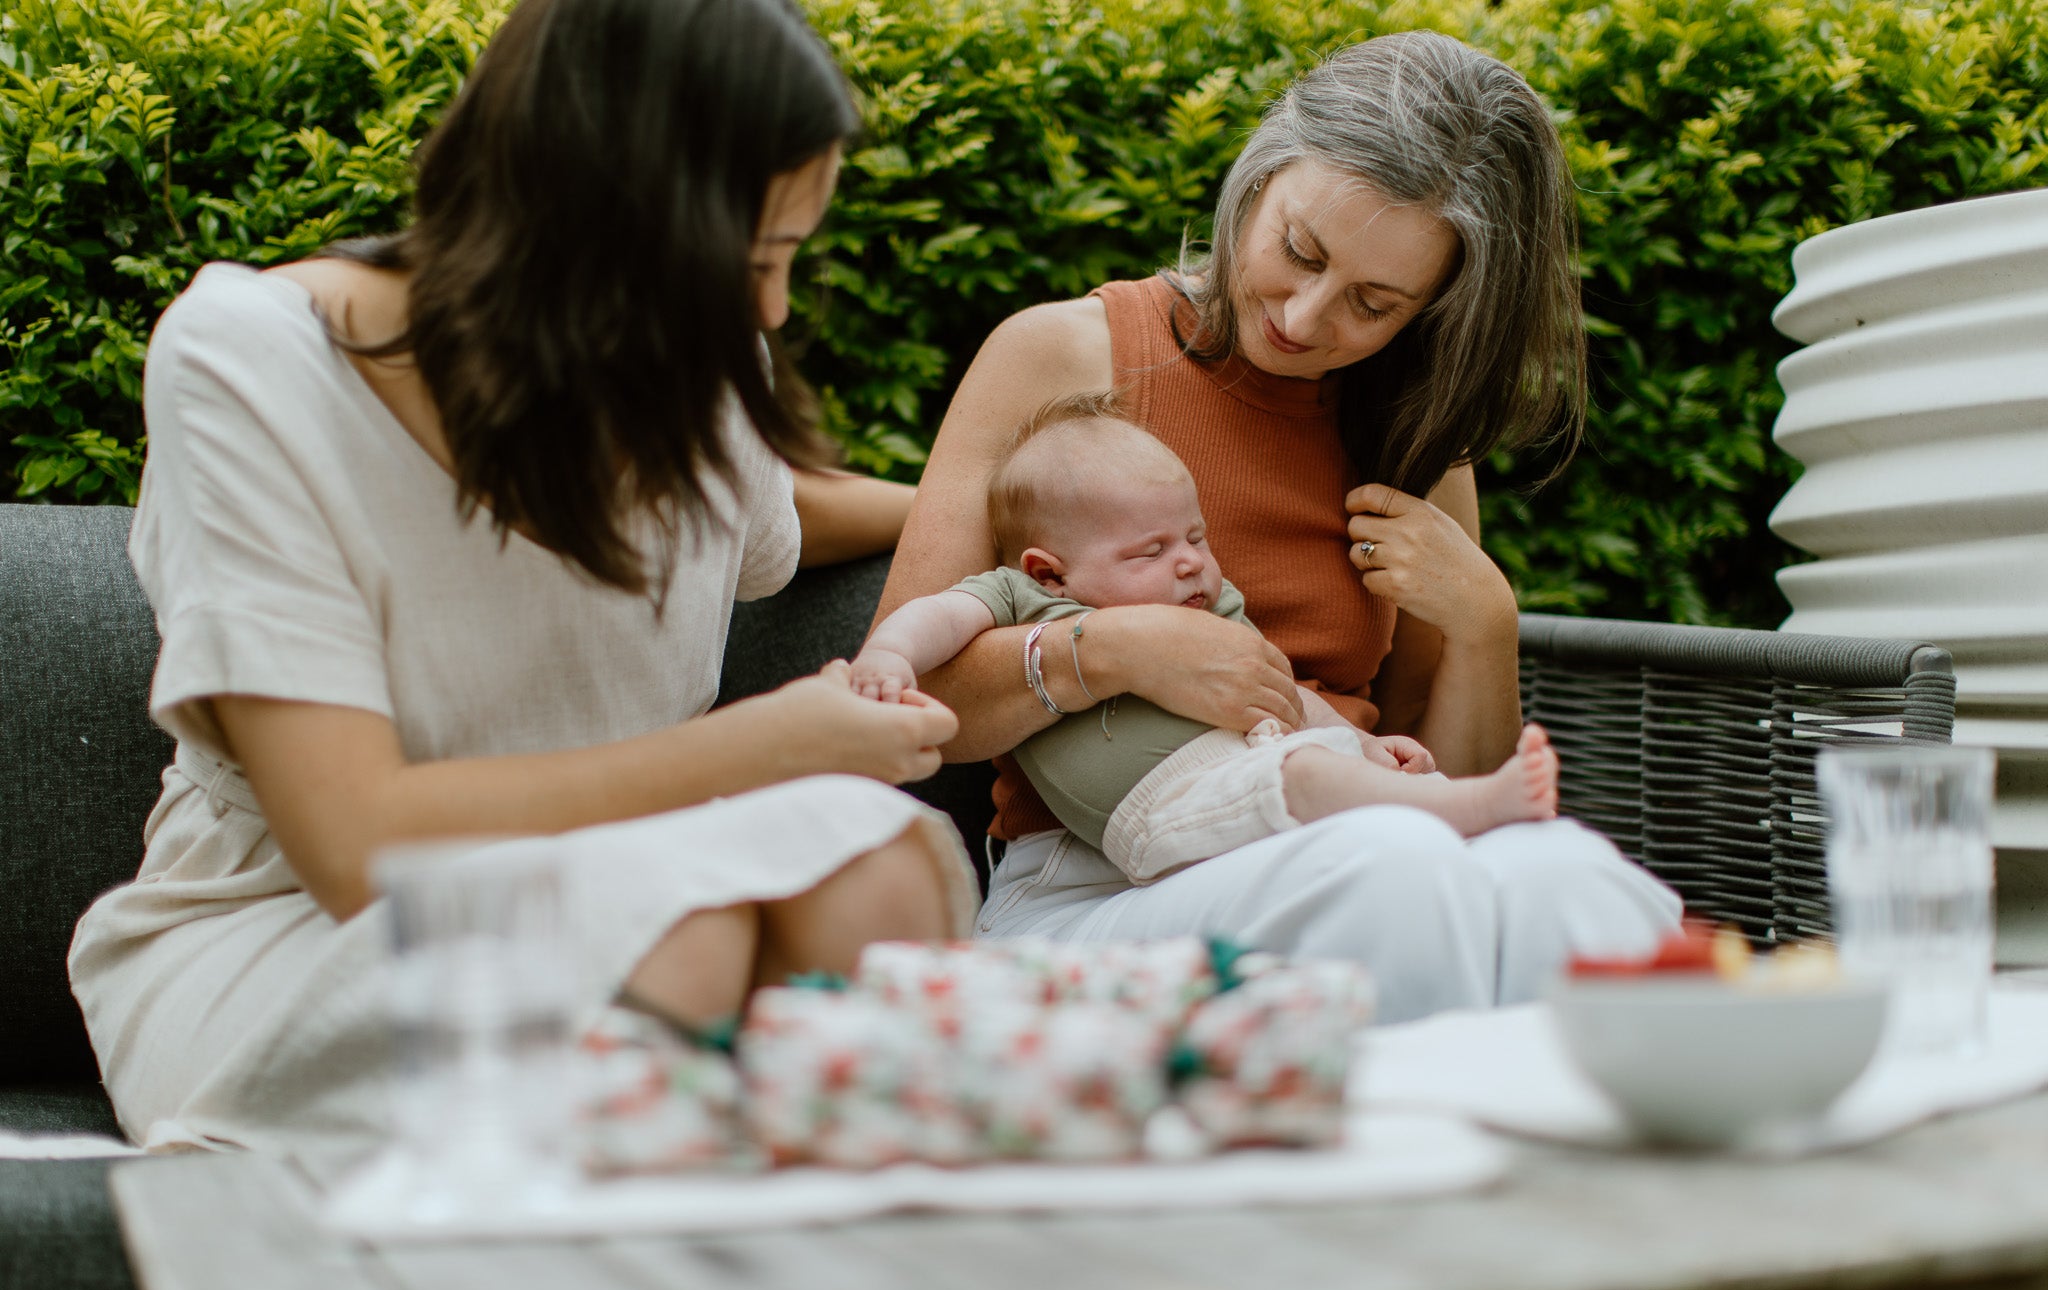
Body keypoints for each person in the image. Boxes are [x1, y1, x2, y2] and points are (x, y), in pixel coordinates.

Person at [67, 0, 979, 1155]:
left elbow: (772, 513)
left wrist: (983, 520)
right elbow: (354, 845)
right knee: (678, 934)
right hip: (296, 936)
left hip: (637, 887)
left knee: (874, 867)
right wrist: (776, 743)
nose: (770, 311)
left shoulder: (685, 348)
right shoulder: (246, 361)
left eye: (786, 257)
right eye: (749, 261)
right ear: (595, 223)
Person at [877, 30, 1682, 1024]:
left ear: (1431, 310)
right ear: (1255, 180)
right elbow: (905, 701)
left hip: (1361, 833)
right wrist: (1115, 648)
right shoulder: (1062, 356)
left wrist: (1482, 620)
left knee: (1569, 878)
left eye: (1371, 303)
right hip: (1100, 887)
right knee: (1391, 869)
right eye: (1297, 251)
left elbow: (1452, 795)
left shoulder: (1415, 443)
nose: (1304, 317)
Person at [854, 400, 1560, 884]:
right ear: (1051, 568)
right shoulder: (1022, 596)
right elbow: (934, 619)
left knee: (1320, 765)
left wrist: (1369, 747)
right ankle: (1465, 809)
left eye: (1194, 536)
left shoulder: (1211, 603)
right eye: (1149, 550)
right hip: (1158, 812)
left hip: (1249, 777)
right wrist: (889, 656)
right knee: (1309, 780)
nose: (1190, 561)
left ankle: (1445, 807)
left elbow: (1278, 692)